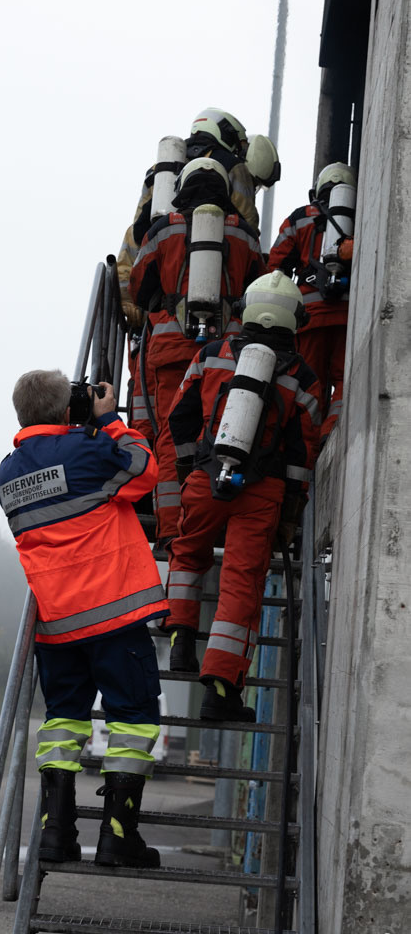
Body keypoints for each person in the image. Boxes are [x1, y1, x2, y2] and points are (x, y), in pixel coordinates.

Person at [0, 370, 169, 869]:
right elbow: (144, 470)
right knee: (132, 719)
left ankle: (55, 834)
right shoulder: (88, 449)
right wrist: (109, 420)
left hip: (55, 624)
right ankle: (117, 837)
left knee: (62, 721)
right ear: (65, 409)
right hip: (114, 615)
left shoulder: (7, 472)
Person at [164, 271, 321, 719]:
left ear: (247, 308)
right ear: (295, 319)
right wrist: (290, 511)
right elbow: (302, 453)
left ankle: (180, 641)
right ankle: (220, 691)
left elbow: (179, 418)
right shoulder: (303, 377)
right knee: (240, 584)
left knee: (187, 554)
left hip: (205, 479)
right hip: (262, 493)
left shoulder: (211, 355)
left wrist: (192, 469)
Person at [128, 157, 267, 548]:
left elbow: (138, 288)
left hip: (170, 351)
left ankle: (172, 531)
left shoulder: (162, 230)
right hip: (226, 355)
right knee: (222, 432)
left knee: (172, 437)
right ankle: (213, 519)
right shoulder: (244, 235)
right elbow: (257, 291)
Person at [118, 108, 276, 355]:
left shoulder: (159, 172)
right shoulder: (234, 168)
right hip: (222, 329)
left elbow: (137, 235)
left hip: (161, 325)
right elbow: (248, 235)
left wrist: (128, 302)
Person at [268, 162, 356, 440]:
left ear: (317, 190)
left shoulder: (299, 219)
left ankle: (310, 440)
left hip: (310, 318)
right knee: (345, 380)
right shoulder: (360, 216)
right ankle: (331, 432)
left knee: (310, 382)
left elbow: (275, 270)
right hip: (347, 316)